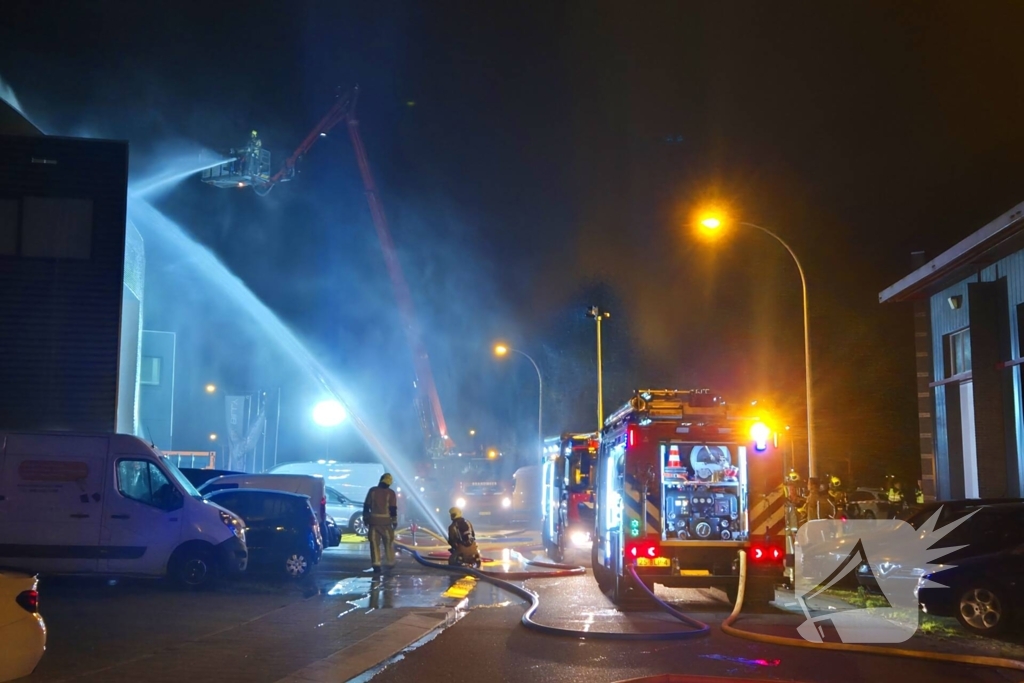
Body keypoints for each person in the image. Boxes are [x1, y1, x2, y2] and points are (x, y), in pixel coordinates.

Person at [363, 473, 398, 574]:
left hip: (373, 522)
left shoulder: (372, 491)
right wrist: (394, 521)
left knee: (374, 544)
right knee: (388, 542)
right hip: (386, 523)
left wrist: (366, 518)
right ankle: (390, 562)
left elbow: (366, 506)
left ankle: (376, 564)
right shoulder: (391, 493)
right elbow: (393, 509)